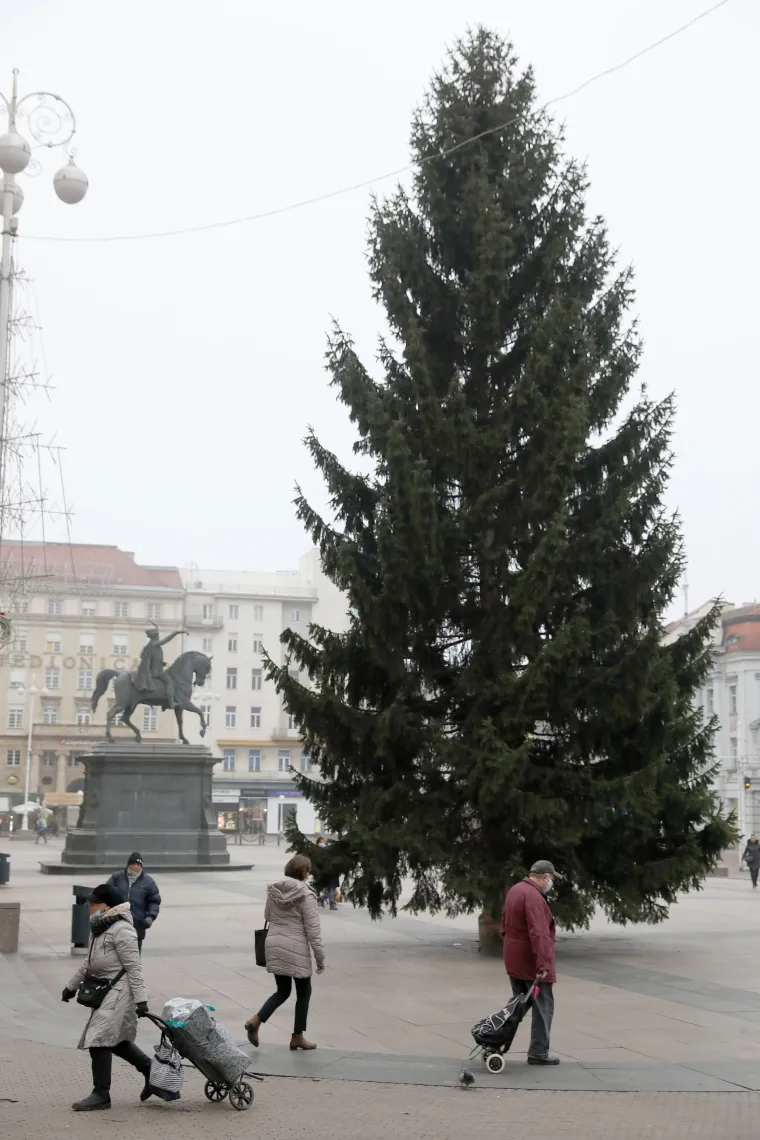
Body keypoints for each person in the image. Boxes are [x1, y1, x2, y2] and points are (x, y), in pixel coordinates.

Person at [62, 882, 152, 1111]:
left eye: (94, 903)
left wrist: (141, 1000)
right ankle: (150, 1071)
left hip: (119, 991)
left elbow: (134, 968)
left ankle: (101, 1094)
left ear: (107, 906)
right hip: (105, 989)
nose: (90, 906)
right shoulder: (100, 927)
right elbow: (89, 962)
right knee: (116, 1041)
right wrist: (71, 986)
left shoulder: (123, 930)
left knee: (98, 1038)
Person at [244, 853, 325, 1051]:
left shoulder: (274, 890)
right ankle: (297, 1036)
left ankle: (256, 1021)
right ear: (304, 871)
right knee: (304, 992)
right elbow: (313, 931)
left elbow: (268, 915)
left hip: (274, 944)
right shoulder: (306, 895)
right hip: (295, 947)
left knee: (282, 991)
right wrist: (320, 959)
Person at [501, 859, 561, 1066]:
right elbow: (539, 932)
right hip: (531, 961)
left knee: (518, 1004)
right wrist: (543, 964)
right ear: (545, 877)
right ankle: (538, 1052)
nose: (552, 883)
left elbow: (504, 924)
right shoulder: (534, 896)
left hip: (514, 958)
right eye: (552, 879)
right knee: (543, 1005)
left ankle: (495, 1040)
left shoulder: (516, 890)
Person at [106, 853, 161, 954]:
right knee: (115, 955)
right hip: (117, 923)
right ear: (128, 864)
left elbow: (154, 901)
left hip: (137, 924)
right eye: (133, 864)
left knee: (133, 957)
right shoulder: (117, 877)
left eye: (138, 864)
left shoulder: (148, 882)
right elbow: (106, 893)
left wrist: (150, 917)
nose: (135, 867)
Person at [136, 623, 187, 709]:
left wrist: (162, 663)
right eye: (157, 635)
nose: (158, 636)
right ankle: (171, 702)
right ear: (154, 636)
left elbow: (151, 657)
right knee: (170, 682)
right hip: (157, 671)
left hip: (155, 668)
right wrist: (176, 633)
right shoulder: (154, 643)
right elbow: (166, 640)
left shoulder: (149, 645)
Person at [314, 836, 339, 910]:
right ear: (318, 843)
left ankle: (320, 898)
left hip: (333, 872)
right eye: (321, 842)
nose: (322, 844)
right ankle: (332, 904)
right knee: (331, 888)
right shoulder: (317, 852)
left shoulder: (328, 850)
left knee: (333, 889)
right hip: (326, 874)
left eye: (323, 842)